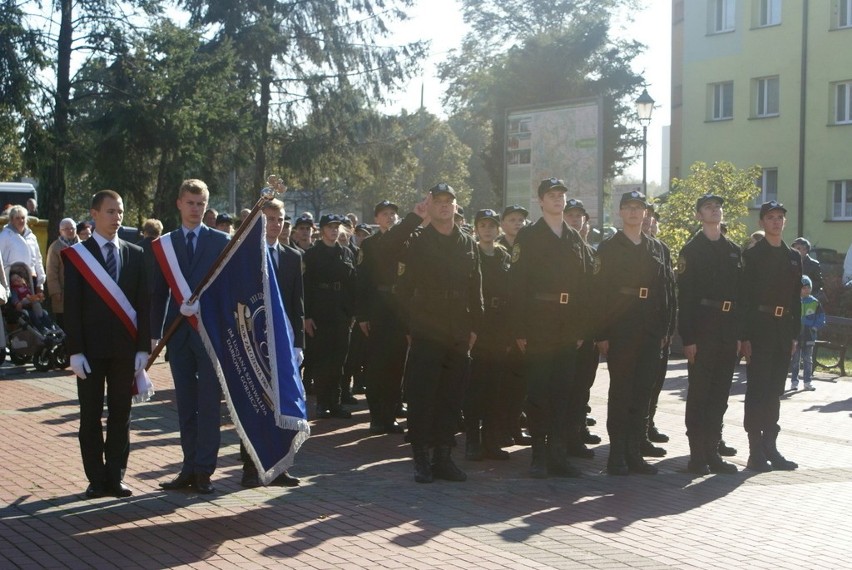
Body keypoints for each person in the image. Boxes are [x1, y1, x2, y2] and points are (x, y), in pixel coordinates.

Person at [63, 189, 150, 498]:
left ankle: (116, 476)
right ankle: (95, 478)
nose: (117, 217)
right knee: (89, 416)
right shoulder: (77, 255)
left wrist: (143, 348)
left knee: (120, 415)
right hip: (90, 351)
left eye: (121, 211)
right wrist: (74, 351)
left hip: (125, 351)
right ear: (95, 213)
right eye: (111, 211)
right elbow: (71, 306)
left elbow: (143, 303)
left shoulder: (135, 253)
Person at [397, 183, 482, 483]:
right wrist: (411, 327)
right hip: (427, 327)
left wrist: (475, 327)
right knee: (423, 395)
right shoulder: (417, 240)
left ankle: (443, 457)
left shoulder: (467, 243)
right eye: (439, 201)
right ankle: (421, 456)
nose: (445, 206)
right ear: (430, 206)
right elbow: (403, 288)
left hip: (458, 329)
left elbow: (476, 287)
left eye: (450, 201)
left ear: (456, 206)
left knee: (451, 396)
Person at [509, 178, 593, 479]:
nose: (558, 200)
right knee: (539, 391)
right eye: (552, 195)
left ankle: (558, 455)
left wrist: (582, 327)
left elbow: (584, 285)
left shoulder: (574, 238)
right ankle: (539, 456)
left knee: (564, 392)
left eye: (561, 195)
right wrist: (520, 327)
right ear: (541, 201)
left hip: (568, 324)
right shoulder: (529, 236)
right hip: (539, 321)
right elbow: (517, 283)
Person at [152, 179, 230, 494]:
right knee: (185, 405)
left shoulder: (222, 241)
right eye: (190, 203)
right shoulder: (165, 244)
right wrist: (154, 336)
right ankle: (187, 467)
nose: (195, 209)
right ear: (179, 204)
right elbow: (157, 293)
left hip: (209, 335)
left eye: (200, 203)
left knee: (209, 405)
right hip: (178, 336)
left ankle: (204, 472)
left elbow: (227, 291)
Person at [595, 190, 673, 476]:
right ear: (620, 212)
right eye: (627, 207)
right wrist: (602, 333)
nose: (633, 212)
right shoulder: (609, 247)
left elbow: (665, 290)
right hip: (622, 328)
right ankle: (616, 455)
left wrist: (665, 328)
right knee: (621, 392)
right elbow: (600, 292)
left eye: (638, 208)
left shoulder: (657, 248)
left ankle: (634, 452)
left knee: (643, 394)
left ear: (645, 214)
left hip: (650, 329)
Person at [240, 198, 304, 488]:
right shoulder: (246, 256)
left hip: (284, 346)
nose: (276, 225)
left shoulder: (293, 257)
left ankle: (281, 466)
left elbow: (297, 304)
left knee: (284, 406)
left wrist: (298, 344)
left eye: (280, 219)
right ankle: (251, 468)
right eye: (269, 219)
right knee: (254, 404)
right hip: (254, 341)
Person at [676, 194, 742, 476]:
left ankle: (713, 451)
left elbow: (741, 295)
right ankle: (697, 454)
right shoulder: (692, 249)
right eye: (708, 207)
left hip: (728, 329)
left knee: (719, 394)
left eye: (717, 207)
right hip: (702, 328)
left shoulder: (733, 249)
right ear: (698, 215)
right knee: (700, 393)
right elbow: (686, 297)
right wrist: (688, 338)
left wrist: (739, 333)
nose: (714, 211)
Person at [740, 200, 801, 472]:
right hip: (760, 327)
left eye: (780, 217)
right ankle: (755, 451)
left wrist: (795, 334)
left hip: (782, 329)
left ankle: (770, 447)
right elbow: (744, 299)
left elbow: (796, 300)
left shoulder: (793, 257)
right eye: (771, 217)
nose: (776, 222)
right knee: (757, 390)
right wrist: (745, 336)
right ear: (762, 223)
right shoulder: (753, 255)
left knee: (774, 391)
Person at [356, 200, 422, 434]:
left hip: (400, 307)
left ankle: (391, 412)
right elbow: (362, 281)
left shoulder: (409, 240)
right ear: (376, 219)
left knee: (397, 364)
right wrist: (363, 314)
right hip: (378, 308)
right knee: (376, 365)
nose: (390, 217)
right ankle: (377, 416)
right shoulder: (371, 244)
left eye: (394, 213)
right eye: (385, 214)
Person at [464, 209, 512, 461]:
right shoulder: (470, 254)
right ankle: (472, 441)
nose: (487, 230)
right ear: (476, 228)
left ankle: (492, 442)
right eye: (482, 225)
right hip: (478, 326)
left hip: (499, 327)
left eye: (492, 225)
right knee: (476, 389)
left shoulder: (504, 256)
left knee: (496, 389)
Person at [303, 214, 357, 419]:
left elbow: (353, 284)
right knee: (322, 359)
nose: (334, 230)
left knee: (339, 360)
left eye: (337, 227)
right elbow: (305, 286)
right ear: (322, 229)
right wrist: (307, 316)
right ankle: (322, 403)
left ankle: (336, 402)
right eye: (330, 227)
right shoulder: (312, 255)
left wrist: (353, 312)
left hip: (341, 311)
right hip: (320, 312)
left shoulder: (346, 253)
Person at [561, 198, 602, 457]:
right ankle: (562, 441)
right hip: (566, 331)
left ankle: (576, 435)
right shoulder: (560, 248)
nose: (575, 220)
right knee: (565, 388)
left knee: (582, 387)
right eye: (571, 215)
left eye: (579, 216)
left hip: (588, 332)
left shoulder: (590, 251)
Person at [641, 205, 677, 458]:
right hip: (640, 328)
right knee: (641, 385)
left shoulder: (662, 250)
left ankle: (648, 424)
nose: (649, 223)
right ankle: (638, 433)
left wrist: (669, 328)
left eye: (653, 220)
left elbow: (669, 292)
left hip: (660, 328)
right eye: (647, 219)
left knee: (655, 382)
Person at [497, 204, 531, 446]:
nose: (518, 223)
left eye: (521, 219)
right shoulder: (495, 249)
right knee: (502, 381)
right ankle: (499, 427)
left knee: (521, 381)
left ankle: (515, 425)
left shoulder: (530, 247)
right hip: (500, 324)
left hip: (524, 322)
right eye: (512, 219)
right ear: (503, 224)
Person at [790, 275, 825, 392]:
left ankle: (807, 382)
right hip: (796, 336)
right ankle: (794, 382)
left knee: (807, 360)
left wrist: (815, 327)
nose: (806, 289)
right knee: (795, 360)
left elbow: (821, 318)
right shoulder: (794, 302)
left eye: (808, 287)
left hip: (809, 336)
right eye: (803, 287)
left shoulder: (815, 302)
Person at [0, 205, 46, 293]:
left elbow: (38, 260)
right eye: (17, 218)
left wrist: (41, 281)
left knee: (34, 304)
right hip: (12, 279)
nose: (21, 221)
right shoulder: (4, 236)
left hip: (31, 278)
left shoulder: (32, 237)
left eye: (23, 218)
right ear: (12, 219)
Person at [45, 217, 78, 328]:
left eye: (72, 228)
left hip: (79, 290)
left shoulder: (83, 246)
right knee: (64, 323)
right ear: (60, 231)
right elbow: (51, 272)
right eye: (66, 229)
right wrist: (55, 292)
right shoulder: (55, 247)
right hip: (62, 292)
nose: (70, 231)